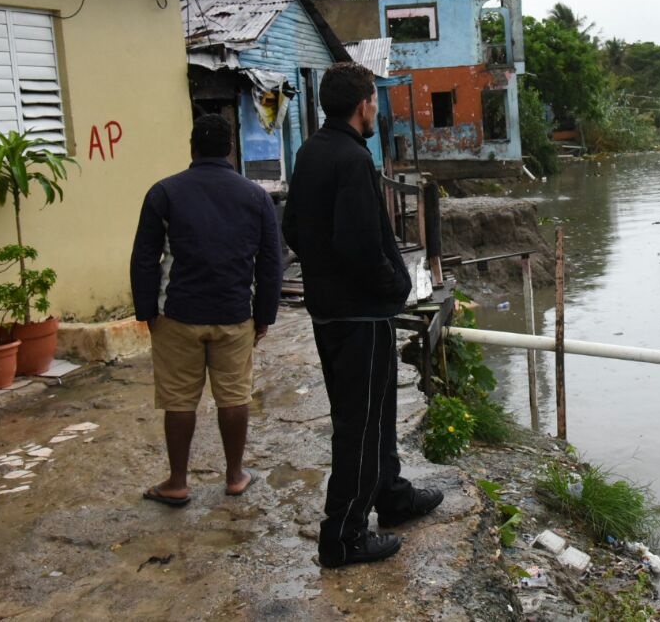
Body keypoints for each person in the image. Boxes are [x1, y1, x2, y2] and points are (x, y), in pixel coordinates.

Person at [282, 62, 443, 568]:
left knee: (372, 416)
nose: (376, 108)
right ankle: (343, 535)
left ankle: (390, 494)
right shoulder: (351, 160)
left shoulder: (311, 152)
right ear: (363, 105)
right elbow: (358, 244)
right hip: (360, 316)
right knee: (361, 424)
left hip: (332, 311)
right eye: (374, 99)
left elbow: (292, 230)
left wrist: (327, 272)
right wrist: (395, 286)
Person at [130, 114, 281, 506]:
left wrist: (147, 311)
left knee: (179, 400)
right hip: (235, 313)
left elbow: (145, 257)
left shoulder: (164, 192)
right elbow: (269, 262)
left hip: (179, 315)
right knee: (234, 396)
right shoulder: (256, 196)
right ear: (230, 149)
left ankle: (178, 482)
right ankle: (234, 476)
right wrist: (264, 315)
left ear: (192, 147)